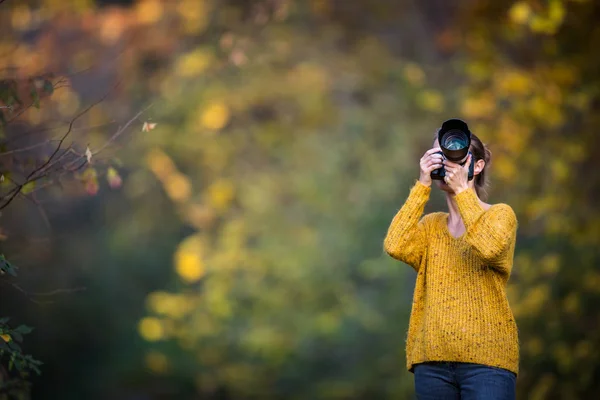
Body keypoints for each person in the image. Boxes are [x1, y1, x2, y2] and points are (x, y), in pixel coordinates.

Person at [383, 125, 519, 400]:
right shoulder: (432, 226)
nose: (448, 163)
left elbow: (488, 248)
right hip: (432, 363)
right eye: (440, 155)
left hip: (487, 363)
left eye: (457, 157)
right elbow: (394, 244)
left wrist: (463, 193)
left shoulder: (500, 215)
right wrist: (422, 185)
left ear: (477, 166)